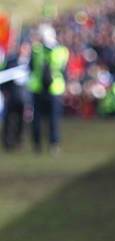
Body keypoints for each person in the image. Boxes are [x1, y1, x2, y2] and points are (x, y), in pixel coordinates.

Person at [27, 24, 69, 153]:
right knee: (53, 119)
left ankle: (37, 145)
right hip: (55, 89)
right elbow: (64, 70)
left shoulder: (36, 50)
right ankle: (53, 144)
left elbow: (31, 67)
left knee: (38, 118)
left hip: (39, 88)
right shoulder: (62, 51)